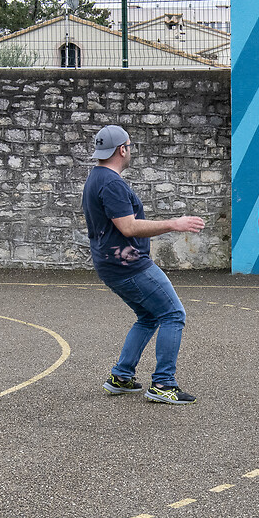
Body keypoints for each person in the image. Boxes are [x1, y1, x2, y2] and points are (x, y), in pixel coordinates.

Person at [81, 124, 206, 405]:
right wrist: (174, 224)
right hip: (130, 267)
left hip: (111, 265)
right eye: (129, 146)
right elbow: (128, 227)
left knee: (149, 317)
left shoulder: (96, 178)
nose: (130, 150)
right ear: (122, 149)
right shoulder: (111, 183)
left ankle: (121, 376)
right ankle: (163, 384)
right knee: (173, 314)